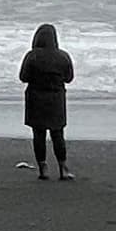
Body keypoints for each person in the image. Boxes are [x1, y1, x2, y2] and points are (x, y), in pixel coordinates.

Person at [19, 21, 75, 180]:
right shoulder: (63, 56)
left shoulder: (32, 55)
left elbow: (23, 77)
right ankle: (63, 168)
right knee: (58, 134)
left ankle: (43, 168)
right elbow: (69, 78)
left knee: (39, 135)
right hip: (56, 99)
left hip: (35, 99)